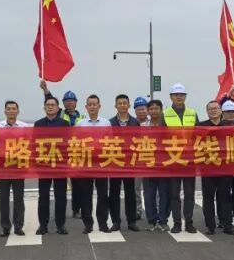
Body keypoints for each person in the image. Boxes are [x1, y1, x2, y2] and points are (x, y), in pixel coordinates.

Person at [163, 83, 198, 233]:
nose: (179, 97)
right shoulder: (165, 114)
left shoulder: (192, 113)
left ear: (185, 97)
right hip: (173, 160)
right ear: (171, 97)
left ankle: (189, 222)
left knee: (189, 194)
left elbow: (198, 134)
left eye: (182, 95)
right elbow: (161, 137)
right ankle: (177, 223)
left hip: (190, 160)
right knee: (174, 194)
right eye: (176, 95)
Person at [33, 96, 70, 235]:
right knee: (43, 196)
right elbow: (34, 144)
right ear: (44, 107)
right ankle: (43, 225)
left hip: (60, 165)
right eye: (48, 105)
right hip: (44, 165)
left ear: (57, 108)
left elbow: (68, 144)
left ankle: (60, 225)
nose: (50, 107)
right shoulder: (38, 124)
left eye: (53, 105)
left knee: (60, 196)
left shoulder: (64, 124)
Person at [0, 100, 31, 236]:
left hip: (18, 167)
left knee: (18, 199)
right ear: (5, 111)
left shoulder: (24, 126)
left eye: (13, 108)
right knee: (4, 199)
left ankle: (18, 226)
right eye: (8, 109)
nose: (11, 111)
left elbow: (29, 144)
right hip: (3, 168)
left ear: (18, 111)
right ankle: (5, 227)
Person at [73, 94, 109, 233]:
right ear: (86, 107)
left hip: (101, 164)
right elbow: (75, 143)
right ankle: (88, 224)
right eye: (90, 104)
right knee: (86, 195)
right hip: (86, 163)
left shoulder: (106, 123)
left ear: (99, 106)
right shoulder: (80, 124)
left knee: (102, 195)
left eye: (95, 104)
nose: (92, 107)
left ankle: (102, 223)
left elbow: (111, 142)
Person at [107, 94, 140, 232]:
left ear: (129, 105)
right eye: (119, 103)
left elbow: (139, 141)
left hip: (129, 163)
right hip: (114, 162)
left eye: (124, 103)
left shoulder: (135, 122)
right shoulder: (110, 123)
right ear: (115, 106)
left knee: (130, 193)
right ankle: (116, 221)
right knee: (114, 193)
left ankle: (131, 221)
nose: (122, 105)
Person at [141, 99, 170, 230]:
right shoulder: (143, 126)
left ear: (161, 110)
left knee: (164, 193)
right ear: (148, 111)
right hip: (148, 164)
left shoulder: (167, 124)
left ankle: (163, 220)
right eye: (151, 109)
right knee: (149, 194)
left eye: (156, 108)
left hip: (164, 164)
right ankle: (151, 220)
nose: (154, 111)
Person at [198, 101, 225, 234]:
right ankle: (210, 225)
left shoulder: (228, 126)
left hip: (225, 167)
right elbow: (195, 145)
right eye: (210, 109)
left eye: (216, 108)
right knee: (208, 197)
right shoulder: (200, 126)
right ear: (207, 112)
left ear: (221, 110)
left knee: (224, 196)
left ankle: (225, 223)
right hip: (207, 167)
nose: (213, 111)